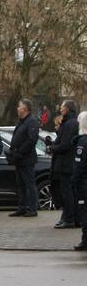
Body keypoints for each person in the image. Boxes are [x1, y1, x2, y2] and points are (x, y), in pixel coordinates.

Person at [49, 100, 80, 229]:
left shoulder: (69, 124)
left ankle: (69, 218)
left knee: (67, 193)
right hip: (66, 163)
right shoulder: (69, 123)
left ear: (67, 109)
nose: (60, 109)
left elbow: (66, 144)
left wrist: (53, 148)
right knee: (68, 192)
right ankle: (67, 217)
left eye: (62, 107)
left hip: (66, 164)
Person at [8, 99, 40, 217]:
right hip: (19, 159)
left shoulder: (31, 122)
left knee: (29, 184)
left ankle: (32, 208)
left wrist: (20, 152)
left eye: (19, 106)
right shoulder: (21, 122)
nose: (17, 108)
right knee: (20, 184)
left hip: (26, 159)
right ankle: (22, 207)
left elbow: (32, 140)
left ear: (25, 109)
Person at [73, 111, 87, 250]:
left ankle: (85, 240)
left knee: (84, 211)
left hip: (84, 184)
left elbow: (79, 165)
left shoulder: (82, 142)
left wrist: (74, 181)